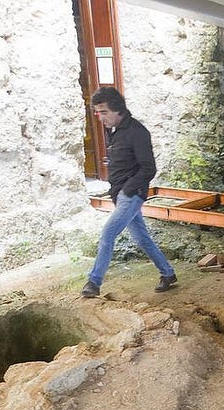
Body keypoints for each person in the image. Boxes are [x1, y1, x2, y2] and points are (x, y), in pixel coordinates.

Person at [82, 86, 177, 297]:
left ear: (118, 110)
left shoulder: (137, 132)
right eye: (97, 113)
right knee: (142, 238)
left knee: (107, 234)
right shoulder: (114, 130)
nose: (100, 117)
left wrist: (128, 190)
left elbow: (148, 168)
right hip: (119, 193)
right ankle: (168, 273)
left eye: (104, 112)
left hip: (131, 194)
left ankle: (93, 282)